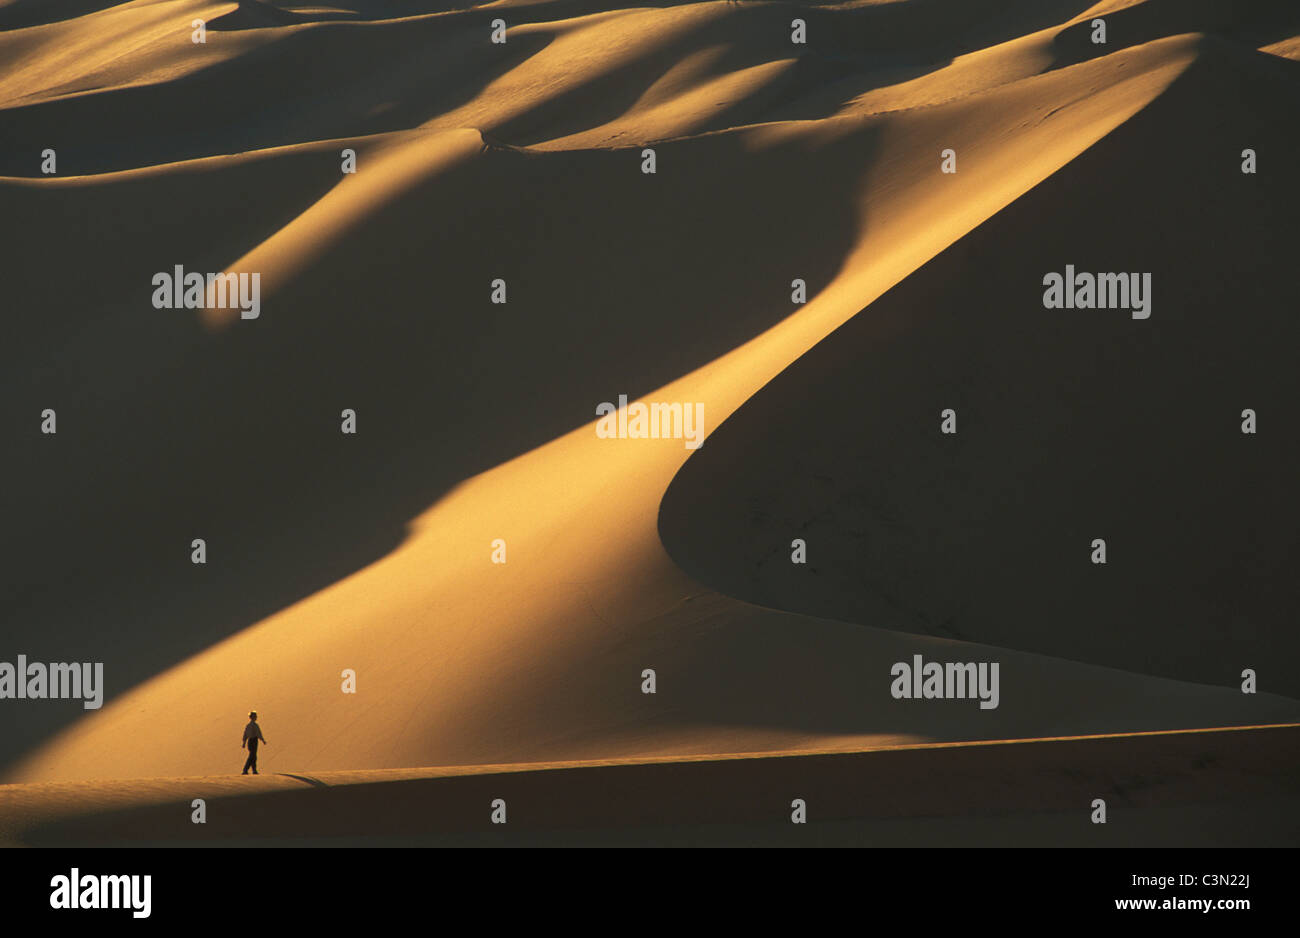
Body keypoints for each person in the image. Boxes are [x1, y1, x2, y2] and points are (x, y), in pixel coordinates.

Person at [241, 710, 268, 775]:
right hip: (254, 741)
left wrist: (244, 743)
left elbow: (245, 735)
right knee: (252, 756)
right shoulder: (255, 725)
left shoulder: (248, 725)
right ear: (252, 717)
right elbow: (258, 733)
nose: (256, 717)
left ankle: (254, 770)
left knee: (253, 756)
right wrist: (263, 740)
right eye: (255, 716)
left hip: (250, 742)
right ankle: (245, 769)